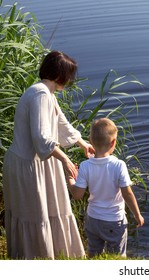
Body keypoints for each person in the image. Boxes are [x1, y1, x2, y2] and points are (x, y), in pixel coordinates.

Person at [2, 50, 95, 259]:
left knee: (46, 211)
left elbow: (60, 124)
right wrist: (65, 159)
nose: (70, 80)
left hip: (36, 162)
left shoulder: (46, 92)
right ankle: (39, 260)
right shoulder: (41, 94)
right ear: (61, 75)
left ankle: (51, 256)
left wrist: (82, 144)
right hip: (29, 166)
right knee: (35, 215)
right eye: (69, 75)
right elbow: (42, 139)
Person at [67, 118, 144, 258]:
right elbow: (127, 194)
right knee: (117, 257)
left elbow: (77, 195)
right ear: (113, 142)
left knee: (93, 253)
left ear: (90, 140)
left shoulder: (85, 166)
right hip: (114, 221)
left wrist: (71, 180)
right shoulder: (119, 165)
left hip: (92, 219)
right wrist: (137, 214)